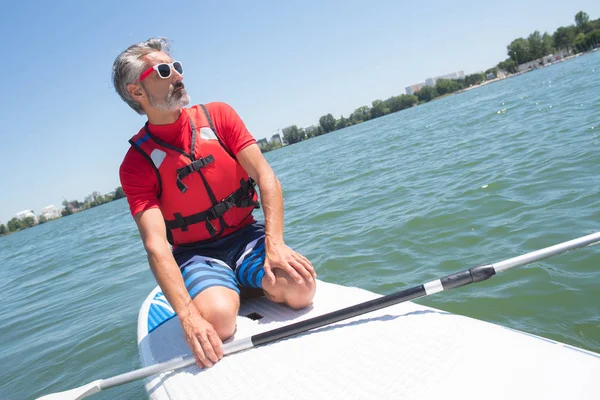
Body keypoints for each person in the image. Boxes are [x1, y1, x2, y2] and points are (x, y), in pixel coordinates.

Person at [112, 37, 317, 369]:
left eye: (177, 67)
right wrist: (188, 316)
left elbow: (266, 176)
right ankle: (219, 292)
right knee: (219, 323)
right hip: (197, 255)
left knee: (301, 289)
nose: (177, 75)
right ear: (137, 92)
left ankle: (242, 282)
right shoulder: (136, 164)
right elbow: (156, 245)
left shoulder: (219, 116)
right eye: (164, 70)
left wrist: (275, 243)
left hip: (246, 236)